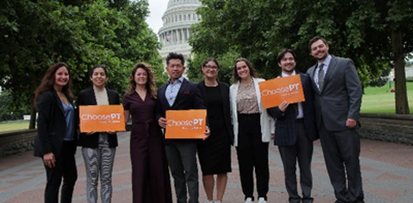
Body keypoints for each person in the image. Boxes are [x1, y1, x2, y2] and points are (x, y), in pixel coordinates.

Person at [307, 36, 364, 203]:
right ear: (312, 53)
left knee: (351, 163)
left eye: (320, 46)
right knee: (333, 165)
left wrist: (352, 115)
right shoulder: (310, 72)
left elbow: (355, 91)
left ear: (327, 46)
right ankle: (341, 197)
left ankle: (356, 198)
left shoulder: (344, 64)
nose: (318, 50)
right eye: (315, 49)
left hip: (345, 123)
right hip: (324, 125)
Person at [156, 52, 209, 203]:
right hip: (169, 140)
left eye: (178, 66)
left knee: (191, 173)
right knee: (176, 174)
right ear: (167, 68)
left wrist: (206, 126)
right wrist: (158, 119)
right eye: (172, 66)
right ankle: (181, 200)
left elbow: (200, 108)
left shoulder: (192, 87)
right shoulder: (161, 90)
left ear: (183, 68)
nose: (175, 68)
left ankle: (193, 201)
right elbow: (158, 111)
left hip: (187, 139)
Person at [267, 49, 318, 203]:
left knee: (305, 166)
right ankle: (293, 197)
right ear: (279, 63)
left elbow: (313, 103)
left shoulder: (305, 79)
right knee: (289, 168)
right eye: (284, 59)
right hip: (284, 129)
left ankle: (307, 196)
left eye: (290, 59)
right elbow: (270, 111)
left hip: (304, 127)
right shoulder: (273, 84)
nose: (288, 62)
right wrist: (279, 110)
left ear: (294, 61)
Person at [123, 63, 173, 203]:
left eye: (144, 74)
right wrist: (108, 124)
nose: (141, 76)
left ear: (148, 76)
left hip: (155, 136)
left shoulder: (155, 95)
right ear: (133, 77)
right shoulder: (128, 97)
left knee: (157, 170)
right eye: (139, 74)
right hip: (138, 137)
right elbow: (124, 120)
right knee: (140, 171)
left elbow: (161, 113)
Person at [229, 58, 273, 203]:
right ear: (236, 72)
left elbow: (269, 106)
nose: (242, 70)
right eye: (239, 68)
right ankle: (248, 195)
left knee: (261, 163)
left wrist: (272, 129)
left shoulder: (262, 83)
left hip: (258, 124)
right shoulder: (233, 88)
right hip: (241, 126)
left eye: (244, 67)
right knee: (244, 164)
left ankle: (262, 195)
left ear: (249, 67)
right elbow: (231, 112)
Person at [33, 62, 78, 203]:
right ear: (52, 76)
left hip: (68, 145)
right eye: (60, 74)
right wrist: (46, 151)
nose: (63, 77)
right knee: (54, 181)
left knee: (71, 178)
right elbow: (41, 125)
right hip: (53, 147)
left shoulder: (67, 96)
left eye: (66, 74)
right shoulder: (47, 96)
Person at [76, 65, 120, 203]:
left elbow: (116, 117)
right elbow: (79, 118)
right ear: (91, 77)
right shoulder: (84, 95)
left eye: (102, 74)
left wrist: (116, 128)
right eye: (96, 74)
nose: (99, 76)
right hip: (90, 142)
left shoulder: (113, 95)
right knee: (92, 177)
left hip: (108, 140)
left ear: (106, 77)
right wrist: (83, 128)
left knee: (106, 177)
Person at [197, 58, 233, 203]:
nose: (211, 69)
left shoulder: (225, 87)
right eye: (208, 66)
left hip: (223, 133)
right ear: (203, 69)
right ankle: (209, 199)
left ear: (218, 70)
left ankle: (219, 200)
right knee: (207, 169)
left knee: (222, 168)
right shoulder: (197, 88)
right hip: (205, 134)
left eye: (214, 67)